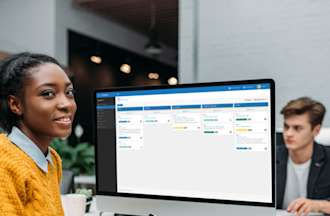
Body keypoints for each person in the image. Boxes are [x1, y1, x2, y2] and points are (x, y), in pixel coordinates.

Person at [0, 52, 77, 215]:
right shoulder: (4, 163)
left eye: (69, 92)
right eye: (48, 93)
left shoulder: (52, 159)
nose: (66, 104)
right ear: (16, 104)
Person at [277, 97, 330, 215]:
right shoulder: (271, 159)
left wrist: (319, 205)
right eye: (286, 126)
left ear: (316, 130)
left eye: (297, 128)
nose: (288, 133)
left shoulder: (327, 159)